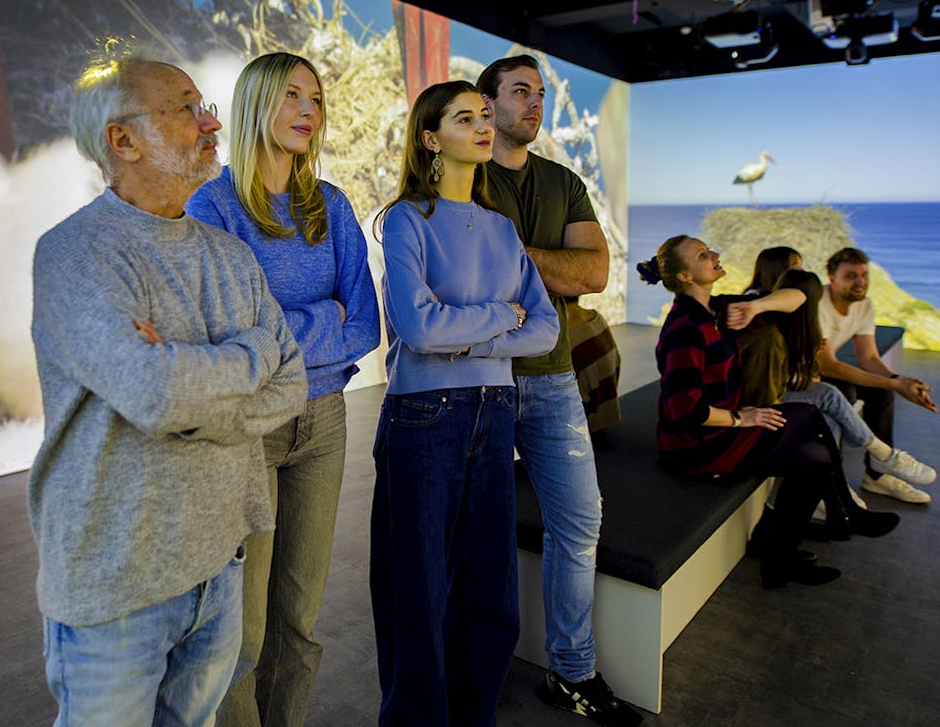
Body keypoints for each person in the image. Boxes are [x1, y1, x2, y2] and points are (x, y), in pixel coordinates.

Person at [29, 54, 307, 726]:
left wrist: (194, 385)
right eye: (185, 108)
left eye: (202, 103)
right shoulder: (75, 253)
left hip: (218, 565)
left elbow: (291, 383)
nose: (210, 121)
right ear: (122, 141)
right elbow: (155, 393)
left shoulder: (231, 256)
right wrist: (251, 353)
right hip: (116, 581)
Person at [184, 51, 380, 727]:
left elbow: (366, 327)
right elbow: (225, 335)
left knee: (300, 621)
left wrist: (284, 329)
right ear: (255, 105)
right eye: (292, 95)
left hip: (324, 424)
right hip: (247, 433)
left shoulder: (331, 205)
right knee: (243, 629)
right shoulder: (211, 207)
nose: (308, 111)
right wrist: (325, 317)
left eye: (317, 100)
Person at [370, 79, 558, 727]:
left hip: (495, 407)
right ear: (430, 137)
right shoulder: (404, 220)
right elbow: (419, 330)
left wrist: (466, 327)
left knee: (490, 592)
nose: (484, 126)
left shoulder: (504, 231)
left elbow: (546, 328)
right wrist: (498, 318)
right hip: (424, 419)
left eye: (486, 115)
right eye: (465, 117)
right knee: (417, 593)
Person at [477, 54, 639, 725]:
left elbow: (594, 272)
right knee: (474, 535)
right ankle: (475, 670)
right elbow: (463, 279)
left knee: (580, 521)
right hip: (476, 385)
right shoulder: (465, 176)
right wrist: (544, 266)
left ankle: (571, 671)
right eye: (520, 92)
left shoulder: (563, 182)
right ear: (486, 104)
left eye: (540, 94)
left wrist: (512, 253)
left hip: (552, 380)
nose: (534, 105)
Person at [637, 235, 845, 590]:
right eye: (703, 255)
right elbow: (684, 409)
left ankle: (782, 553)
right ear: (686, 277)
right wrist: (740, 418)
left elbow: (799, 298)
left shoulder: (716, 309)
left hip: (719, 435)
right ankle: (830, 525)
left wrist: (756, 308)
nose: (715, 254)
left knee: (815, 455)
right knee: (809, 426)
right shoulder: (685, 328)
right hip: (697, 447)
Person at [737, 265, 902, 540]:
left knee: (826, 422)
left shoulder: (789, 331)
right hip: (754, 413)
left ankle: (833, 507)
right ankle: (868, 472)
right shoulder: (769, 335)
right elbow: (763, 397)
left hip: (769, 401)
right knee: (825, 401)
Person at [817, 248, 939, 504]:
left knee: (882, 391)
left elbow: (868, 357)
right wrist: (895, 383)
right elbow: (828, 366)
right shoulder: (820, 304)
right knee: (845, 394)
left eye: (864, 275)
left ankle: (877, 476)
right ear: (832, 278)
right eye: (850, 276)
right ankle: (831, 484)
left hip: (825, 372)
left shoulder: (864, 305)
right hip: (807, 375)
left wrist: (900, 382)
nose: (860, 282)